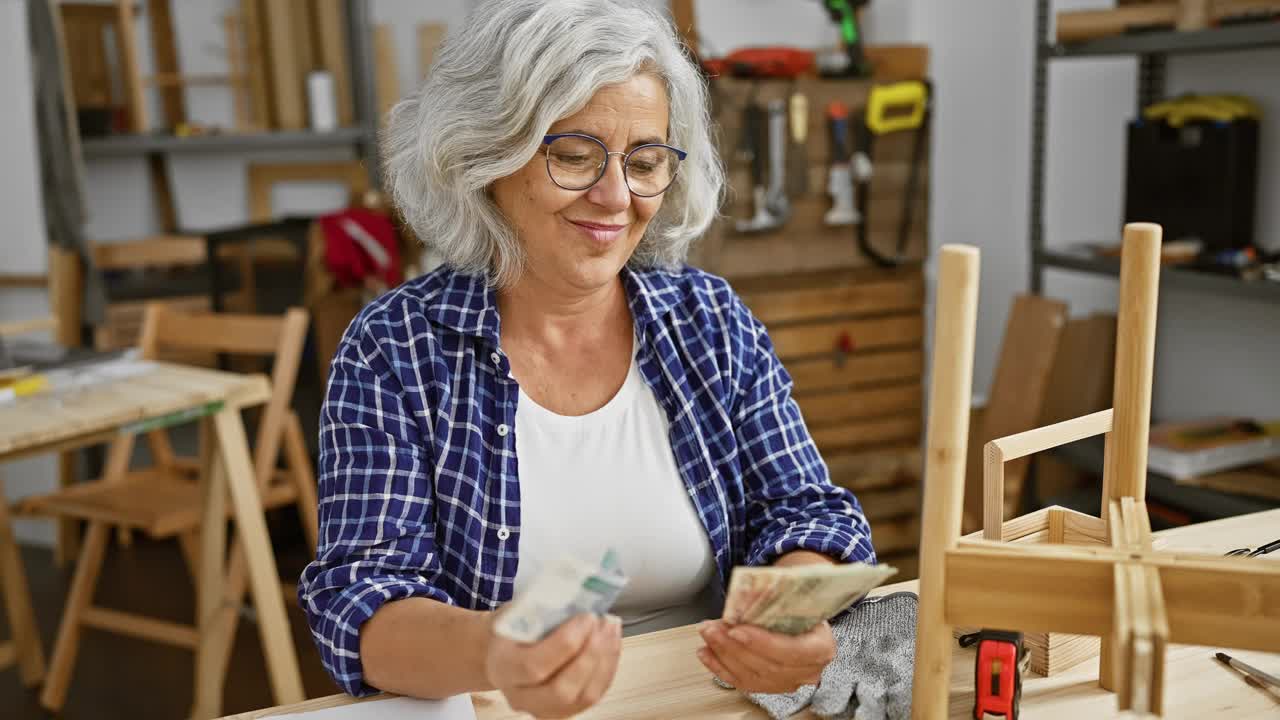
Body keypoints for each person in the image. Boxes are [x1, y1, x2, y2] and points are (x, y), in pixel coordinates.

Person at [299, 1, 877, 717]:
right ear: (486, 155)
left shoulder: (710, 322)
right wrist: (497, 652)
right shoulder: (395, 349)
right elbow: (361, 602)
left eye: (644, 161)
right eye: (574, 155)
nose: (616, 198)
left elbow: (806, 511)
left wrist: (792, 618)